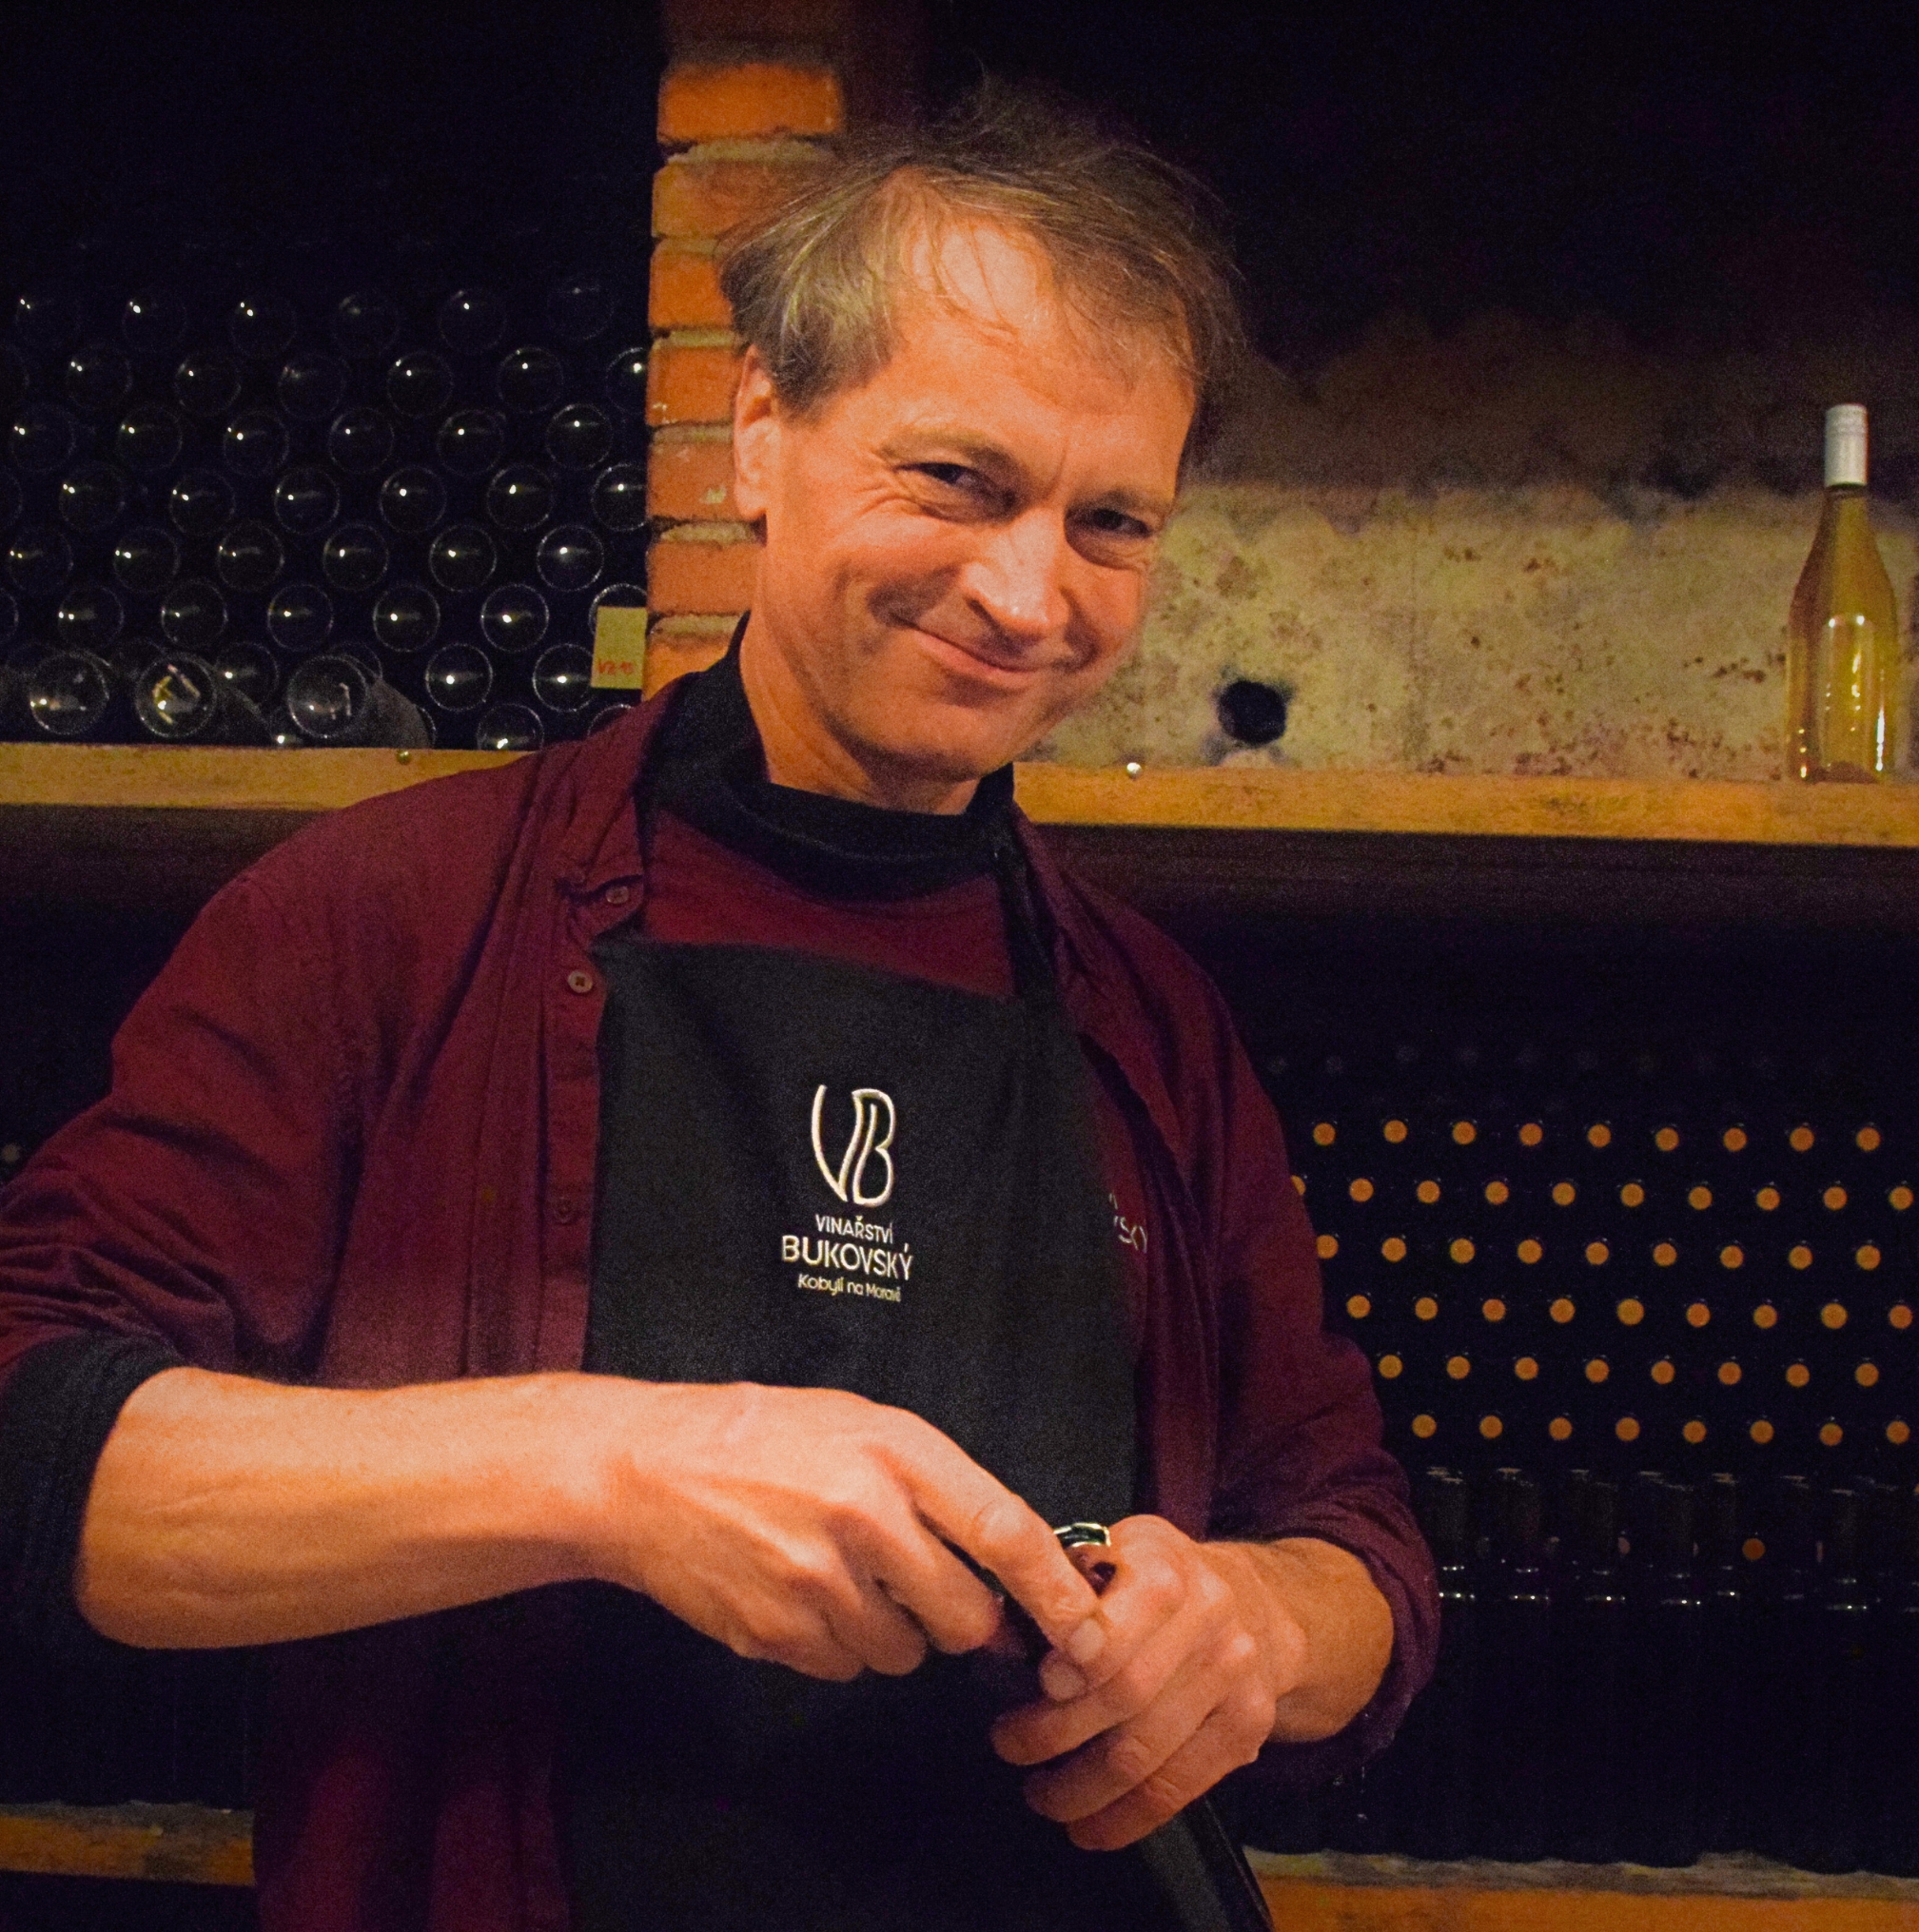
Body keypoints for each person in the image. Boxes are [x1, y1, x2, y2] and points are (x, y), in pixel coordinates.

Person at [0, 86, 1435, 1932]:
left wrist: (1251, 1626)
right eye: (958, 480)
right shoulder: (386, 920)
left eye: (1109, 522)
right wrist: (611, 1466)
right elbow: (33, 1442)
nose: (1027, 594)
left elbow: (1356, 1543)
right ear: (762, 428)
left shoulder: (1149, 1020)